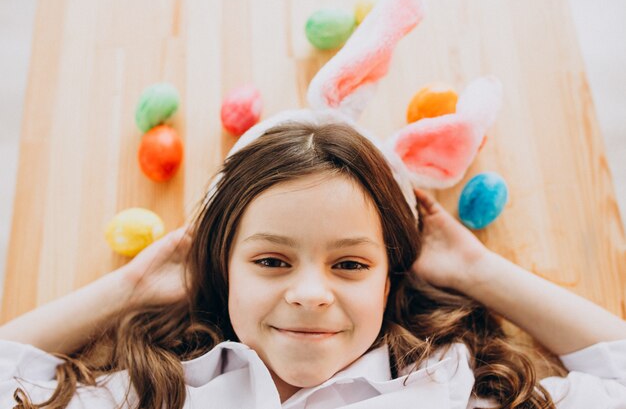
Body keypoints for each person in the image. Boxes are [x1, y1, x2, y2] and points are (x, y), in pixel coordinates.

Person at [1, 121, 626, 409]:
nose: (309, 293)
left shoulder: (450, 390)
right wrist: (133, 284)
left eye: (350, 264)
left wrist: (480, 273)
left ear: (391, 280)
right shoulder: (157, 392)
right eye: (271, 260)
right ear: (223, 271)